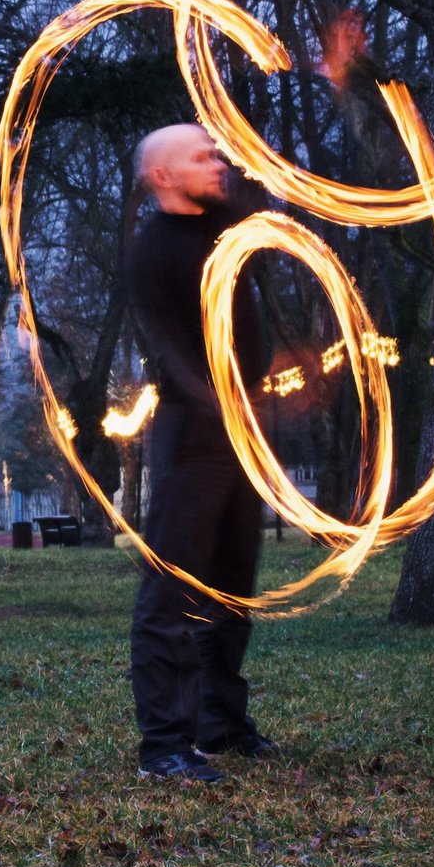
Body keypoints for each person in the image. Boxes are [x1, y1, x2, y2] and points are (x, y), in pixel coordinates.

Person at [122, 122, 277, 785]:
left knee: (233, 588)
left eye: (215, 152)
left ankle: (221, 723)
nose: (216, 162)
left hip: (240, 427)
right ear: (161, 176)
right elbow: (168, 352)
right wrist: (220, 408)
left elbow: (276, 198)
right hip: (195, 434)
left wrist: (340, 68)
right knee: (175, 592)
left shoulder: (225, 218)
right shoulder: (151, 253)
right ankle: (164, 746)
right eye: (200, 156)